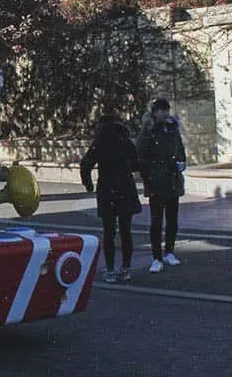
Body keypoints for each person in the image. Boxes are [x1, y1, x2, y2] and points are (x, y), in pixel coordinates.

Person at [80, 117, 142, 283]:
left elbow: (86, 164)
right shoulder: (127, 143)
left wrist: (88, 184)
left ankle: (110, 269)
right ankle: (126, 267)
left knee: (109, 232)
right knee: (126, 231)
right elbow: (137, 164)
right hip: (126, 188)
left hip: (107, 189)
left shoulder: (100, 144)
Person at [136, 97, 186, 273]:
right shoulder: (148, 131)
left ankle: (169, 252)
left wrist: (181, 162)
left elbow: (180, 149)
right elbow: (141, 156)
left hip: (172, 180)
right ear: (154, 112)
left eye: (166, 110)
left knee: (172, 219)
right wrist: (148, 177)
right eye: (161, 110)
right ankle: (156, 257)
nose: (164, 114)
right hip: (156, 181)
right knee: (156, 221)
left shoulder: (172, 129)